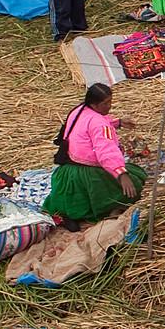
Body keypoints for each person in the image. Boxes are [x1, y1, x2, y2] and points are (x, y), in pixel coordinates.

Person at [43, 84, 145, 227]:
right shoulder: (100, 124)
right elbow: (106, 151)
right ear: (94, 104)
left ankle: (72, 215)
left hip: (68, 170)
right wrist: (121, 174)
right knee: (136, 181)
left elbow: (91, 122)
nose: (109, 106)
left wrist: (118, 122)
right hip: (88, 174)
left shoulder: (79, 110)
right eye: (105, 103)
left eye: (110, 101)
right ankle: (106, 211)